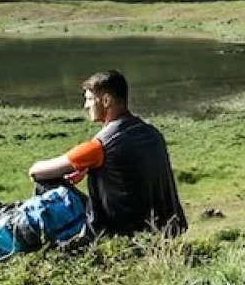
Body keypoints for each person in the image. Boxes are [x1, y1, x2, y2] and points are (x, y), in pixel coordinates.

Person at [28, 69, 188, 237]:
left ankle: (51, 244)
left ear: (106, 100)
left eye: (90, 99)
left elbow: (36, 171)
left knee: (44, 181)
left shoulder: (99, 146)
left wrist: (83, 165)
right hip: (168, 230)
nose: (86, 106)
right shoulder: (152, 133)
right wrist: (87, 168)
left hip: (122, 233)